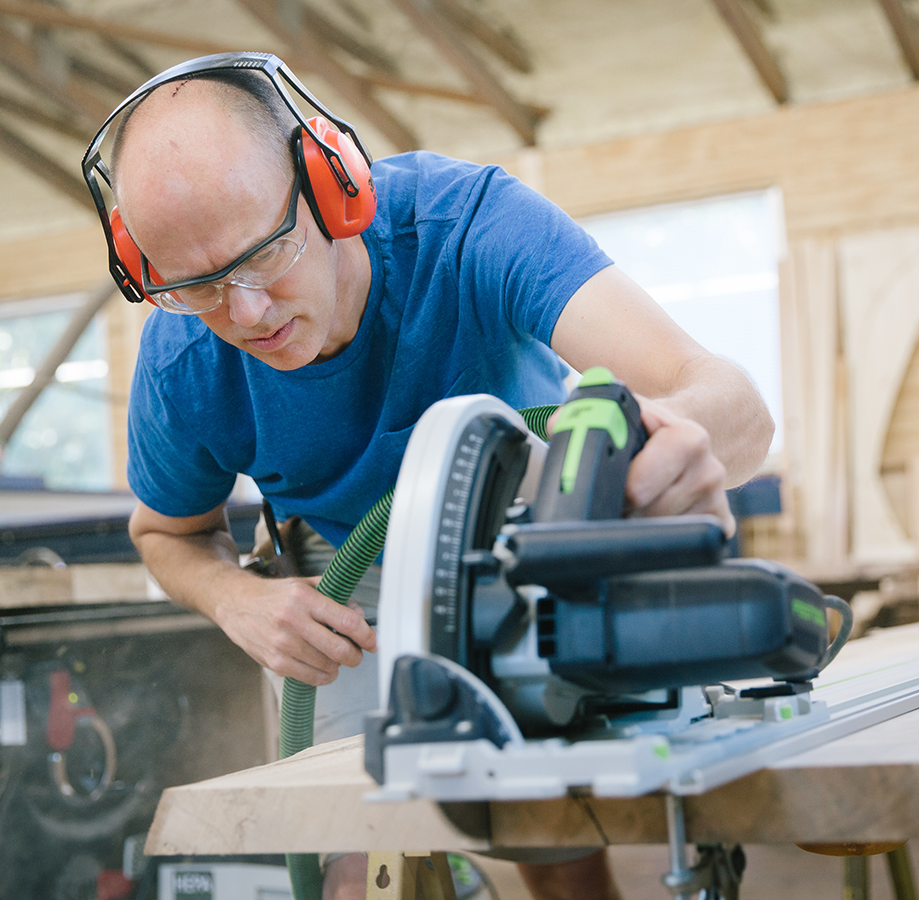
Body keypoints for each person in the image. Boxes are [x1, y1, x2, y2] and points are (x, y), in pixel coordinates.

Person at [91, 53, 773, 900]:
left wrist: (682, 445)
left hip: (530, 544)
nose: (246, 314)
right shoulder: (184, 361)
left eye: (264, 255)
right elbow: (165, 533)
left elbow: (731, 400)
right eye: (198, 286)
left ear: (332, 182)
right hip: (349, 590)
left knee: (547, 830)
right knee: (354, 869)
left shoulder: (470, 225)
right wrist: (242, 600)